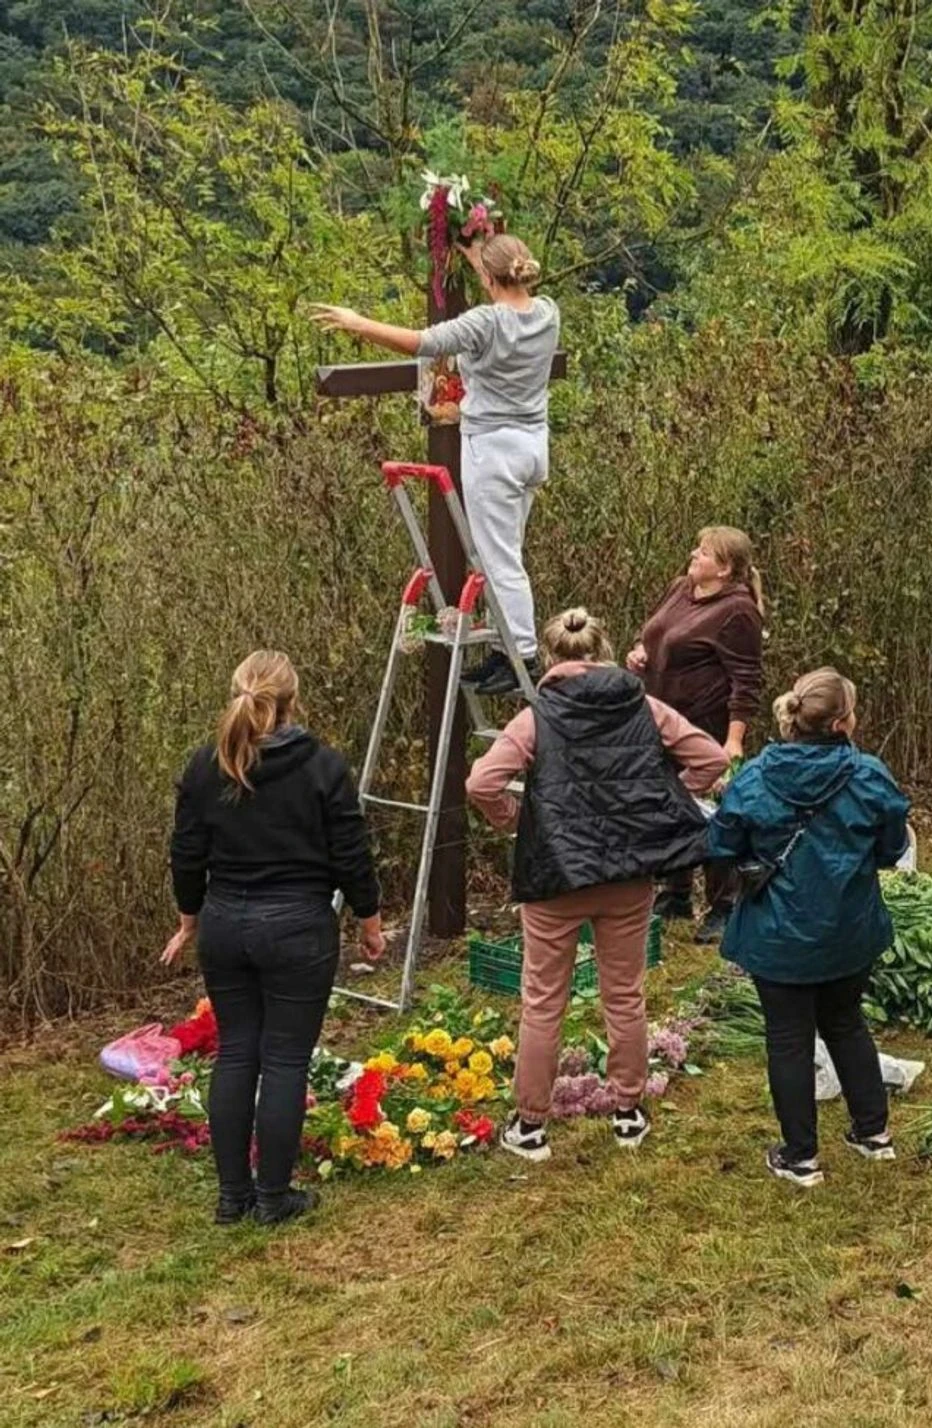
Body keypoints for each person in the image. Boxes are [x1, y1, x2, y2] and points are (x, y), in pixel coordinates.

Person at [467, 608, 727, 1162]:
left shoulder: (537, 715)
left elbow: (482, 781)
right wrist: (658, 800)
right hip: (627, 874)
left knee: (542, 1001)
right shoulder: (644, 706)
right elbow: (710, 757)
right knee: (625, 995)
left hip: (555, 875)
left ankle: (530, 1125)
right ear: (603, 651)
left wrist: (516, 817)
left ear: (553, 659)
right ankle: (629, 1112)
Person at [164, 651, 384, 1226]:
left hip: (224, 925)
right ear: (292, 701)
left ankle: (231, 1196)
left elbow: (186, 853)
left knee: (237, 1052)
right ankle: (272, 1198)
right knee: (284, 1058)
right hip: (297, 927)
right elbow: (350, 852)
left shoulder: (204, 766)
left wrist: (189, 917)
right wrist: (369, 918)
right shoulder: (323, 766)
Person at [311, 233, 560, 696]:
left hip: (495, 451)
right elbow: (505, 283)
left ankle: (521, 654)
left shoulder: (485, 323)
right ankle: (506, 649)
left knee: (497, 559)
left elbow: (422, 342)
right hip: (532, 445)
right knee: (506, 552)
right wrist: (480, 255)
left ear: (487, 278)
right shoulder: (547, 313)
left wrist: (357, 323)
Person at [706, 668, 911, 1188]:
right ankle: (873, 1133)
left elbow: (722, 846)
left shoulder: (754, 776)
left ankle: (800, 1157)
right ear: (843, 722)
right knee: (845, 1021)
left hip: (777, 933)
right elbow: (892, 848)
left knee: (788, 1039)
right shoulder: (869, 776)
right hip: (849, 928)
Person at [625, 527, 765, 944]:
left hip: (706, 726)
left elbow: (747, 679)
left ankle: (724, 904)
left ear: (724, 569)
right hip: (659, 717)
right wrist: (639, 650)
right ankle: (676, 892)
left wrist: (733, 740)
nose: (693, 555)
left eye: (703, 553)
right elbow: (654, 632)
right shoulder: (680, 588)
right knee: (667, 803)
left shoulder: (738, 611)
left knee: (713, 812)